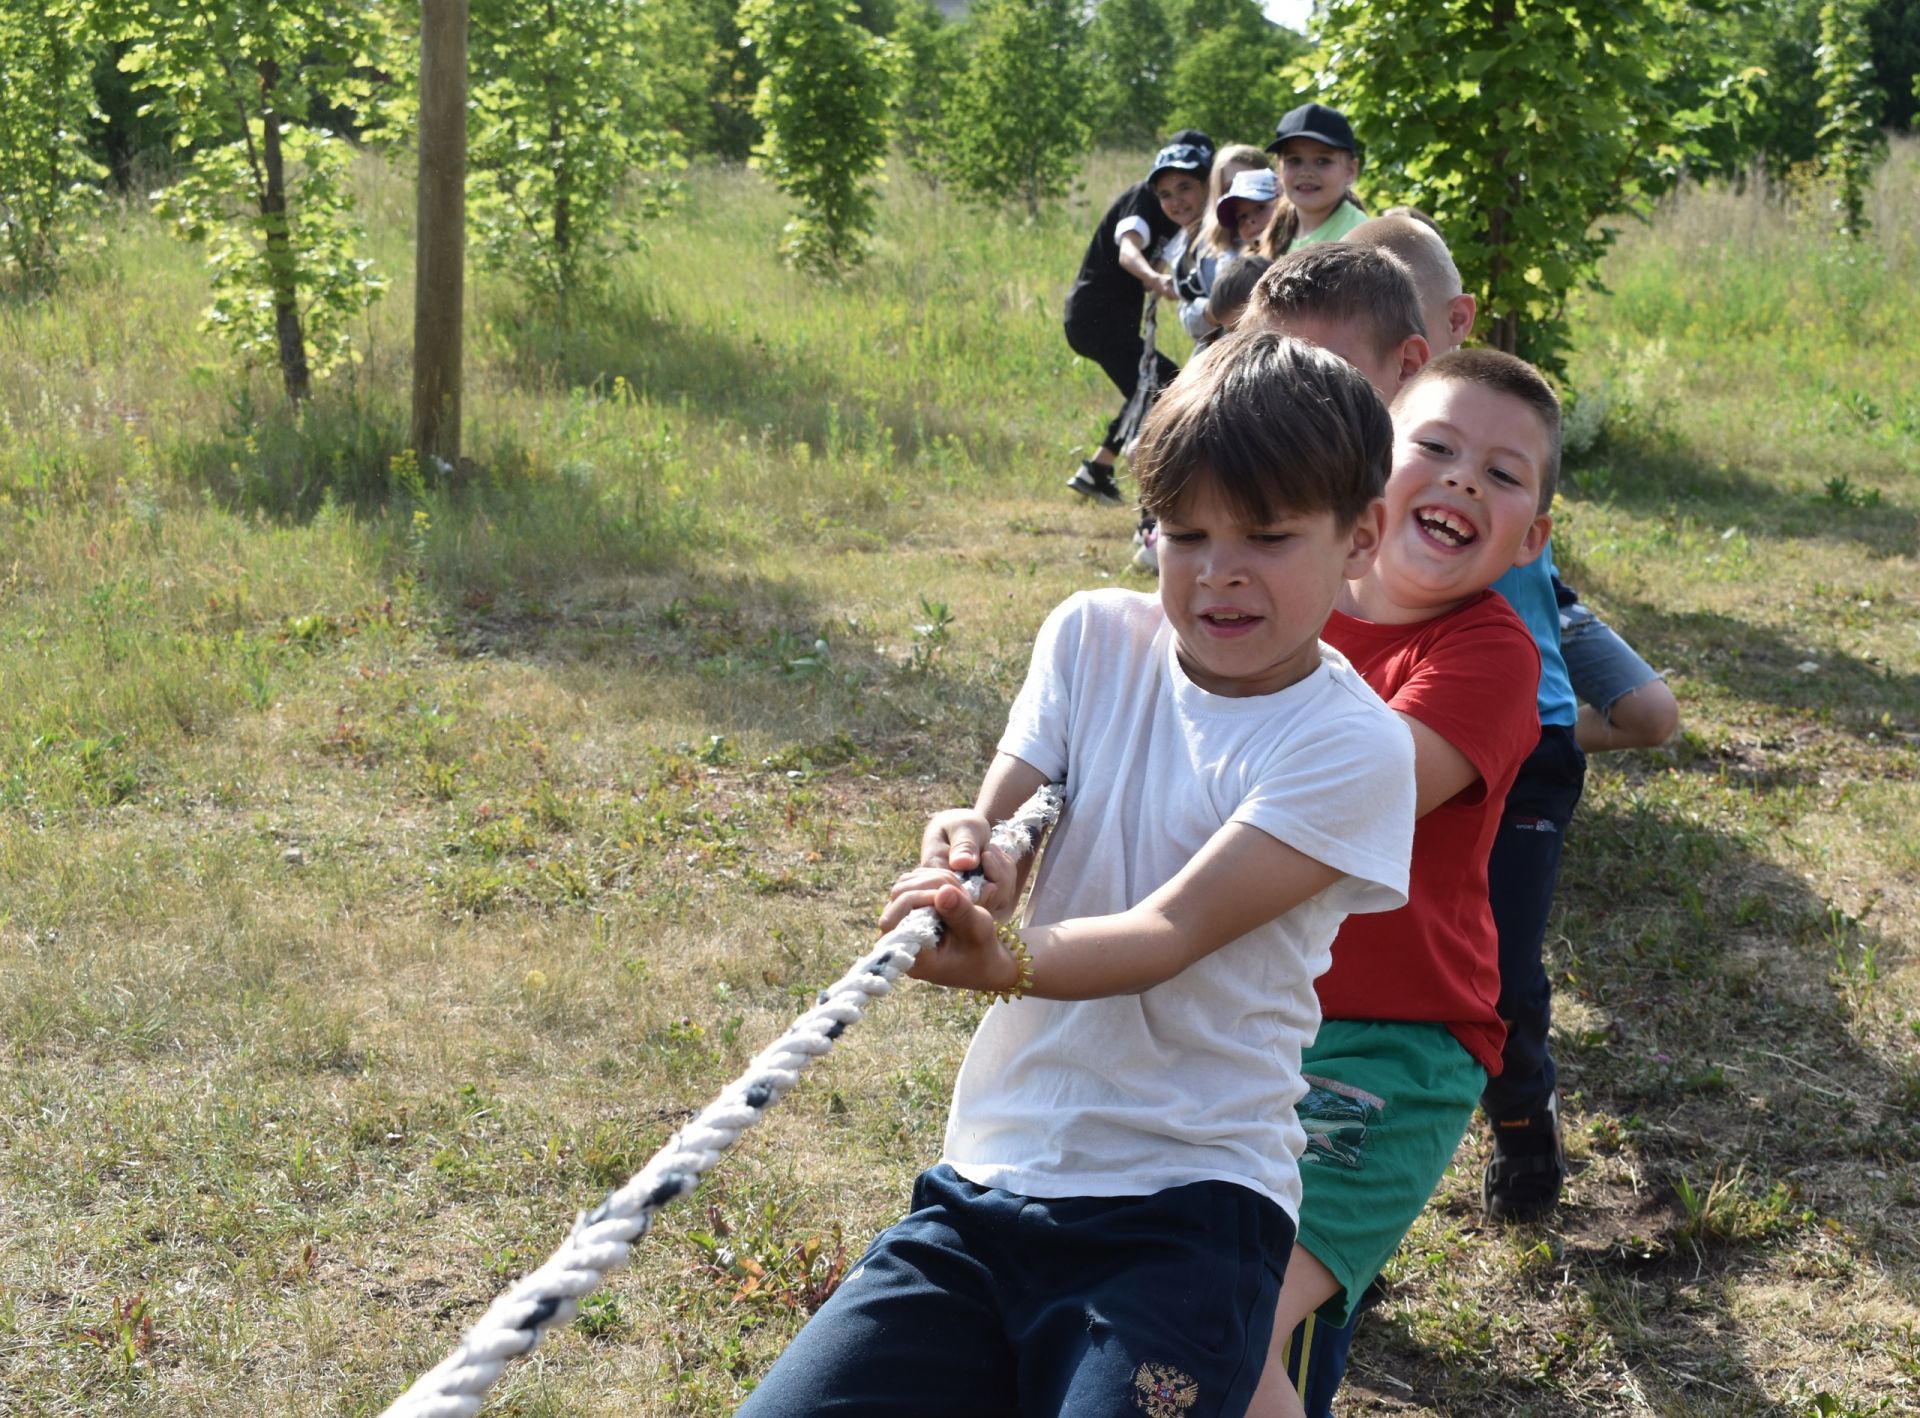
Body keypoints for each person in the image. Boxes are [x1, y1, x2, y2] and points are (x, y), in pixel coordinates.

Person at [736, 332, 1419, 1418]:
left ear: (1360, 536)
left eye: (1267, 535)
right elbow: (1007, 811)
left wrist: (1003, 958)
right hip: (990, 1179)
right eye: (1183, 532)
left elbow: (1166, 931)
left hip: (1188, 1209)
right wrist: (975, 850)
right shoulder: (1092, 637)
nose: (1217, 570)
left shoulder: (1352, 746)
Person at [1244, 349, 1562, 1418]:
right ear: (1368, 467)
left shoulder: (1490, 654)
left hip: (1394, 1037)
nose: (1464, 478)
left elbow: (1355, 793)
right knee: (1192, 1306)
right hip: (1243, 1013)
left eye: (1504, 473)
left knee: (1232, 1311)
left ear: (1534, 538)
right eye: (1435, 446)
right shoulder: (1286, 601)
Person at [1063, 130, 1214, 507]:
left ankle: (1097, 469)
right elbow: (1128, 252)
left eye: (1186, 186)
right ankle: (1154, 501)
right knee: (1165, 386)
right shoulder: (1143, 200)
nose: (1174, 199)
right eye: (1166, 191)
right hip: (1096, 316)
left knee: (1149, 387)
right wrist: (1155, 280)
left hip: (1110, 318)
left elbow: (1165, 258)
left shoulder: (1178, 214)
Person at [1174, 144, 1273, 344]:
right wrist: (1215, 310)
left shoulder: (1290, 236)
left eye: (1250, 181)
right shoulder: (1202, 248)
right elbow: (1187, 312)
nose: (1242, 191)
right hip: (1221, 350)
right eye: (1230, 187)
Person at [1260, 102, 1368, 255]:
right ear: (1279, 169)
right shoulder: (1278, 232)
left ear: (1350, 171)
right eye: (1294, 160)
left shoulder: (1358, 236)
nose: (1306, 172)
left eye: (1322, 161)